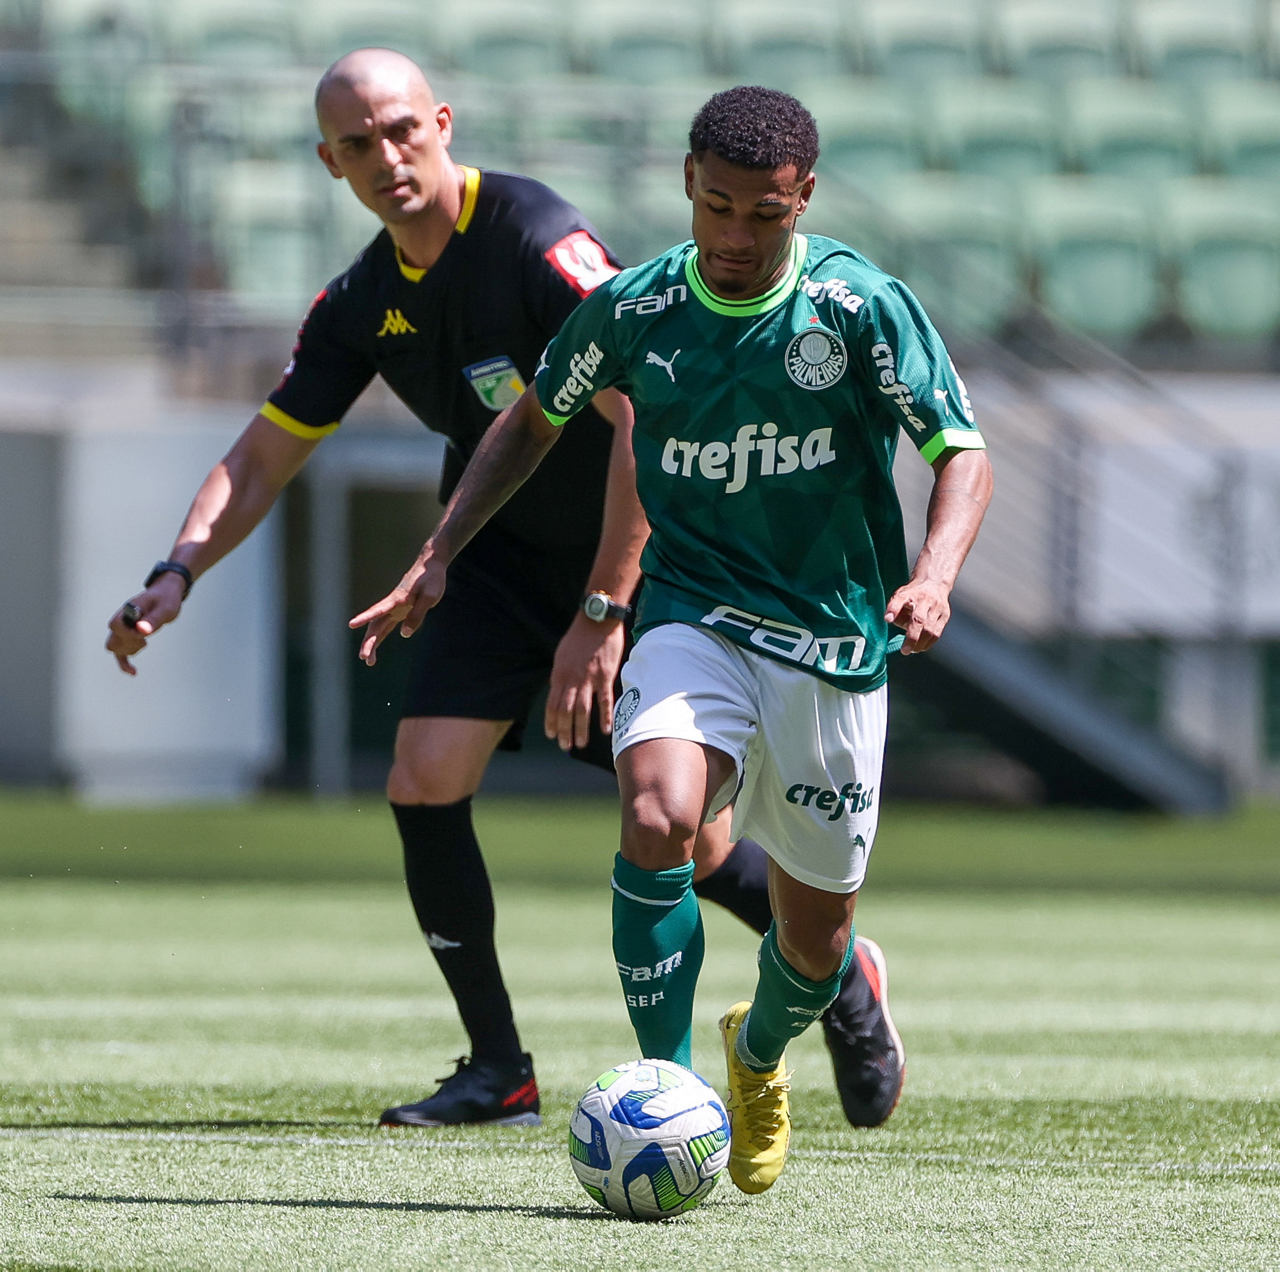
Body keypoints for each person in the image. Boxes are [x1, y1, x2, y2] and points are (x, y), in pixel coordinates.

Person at [104, 54, 905, 1131]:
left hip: (637, 566)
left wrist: (602, 611)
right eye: (358, 144)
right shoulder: (362, 299)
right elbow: (261, 456)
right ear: (329, 162)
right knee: (423, 775)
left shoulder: (536, 239)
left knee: (689, 837)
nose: (386, 157)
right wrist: (176, 571)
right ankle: (498, 1072)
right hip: (492, 564)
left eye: (401, 129)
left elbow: (644, 415)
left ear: (441, 122)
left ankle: (839, 973)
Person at [352, 85, 992, 1192]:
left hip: (833, 642)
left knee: (811, 946)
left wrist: (932, 578)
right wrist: (440, 550)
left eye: (764, 214)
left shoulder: (857, 307)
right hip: (690, 614)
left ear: (804, 197)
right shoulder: (636, 308)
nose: (736, 236)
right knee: (657, 819)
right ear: (687, 185)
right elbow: (532, 419)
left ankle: (759, 1050)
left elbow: (960, 452)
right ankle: (669, 1091)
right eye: (715, 206)